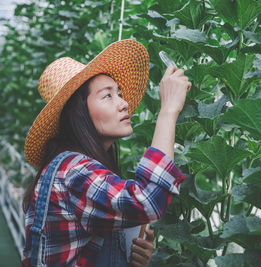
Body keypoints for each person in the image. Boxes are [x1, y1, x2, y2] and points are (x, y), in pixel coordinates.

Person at [21, 40, 191, 266]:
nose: (124, 104)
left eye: (119, 93)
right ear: (79, 113)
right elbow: (148, 199)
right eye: (107, 96)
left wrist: (129, 254)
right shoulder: (73, 171)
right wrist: (168, 110)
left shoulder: (76, 169)